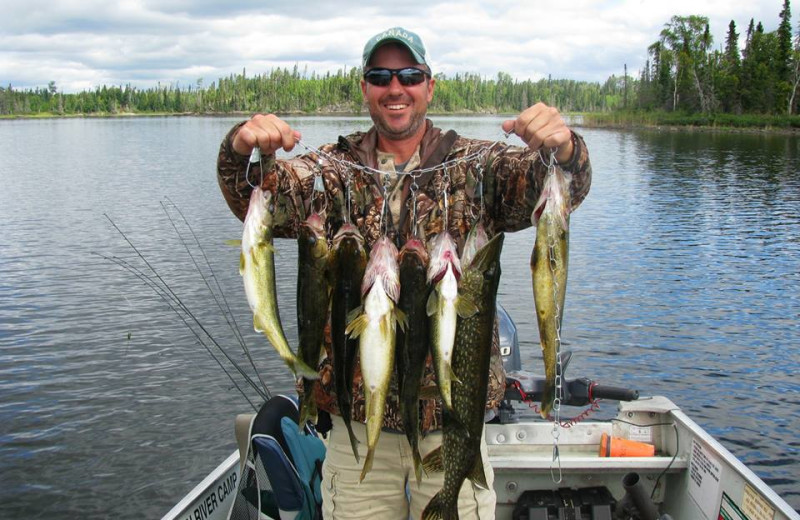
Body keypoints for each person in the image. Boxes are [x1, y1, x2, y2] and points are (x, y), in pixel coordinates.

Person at [217, 27, 592, 520]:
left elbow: (564, 188)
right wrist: (240, 146)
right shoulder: (333, 172)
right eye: (380, 75)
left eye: (409, 74)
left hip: (454, 426)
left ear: (429, 86)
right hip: (355, 434)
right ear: (365, 87)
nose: (395, 87)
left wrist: (565, 149)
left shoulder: (477, 167)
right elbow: (253, 198)